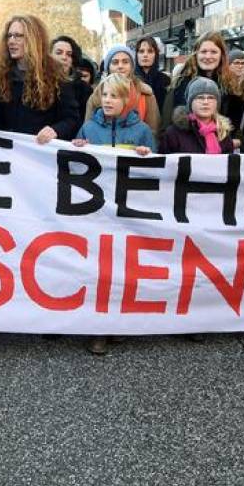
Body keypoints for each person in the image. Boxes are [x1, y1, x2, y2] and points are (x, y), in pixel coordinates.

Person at [72, 72, 154, 357]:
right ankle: (98, 329)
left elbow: (157, 172)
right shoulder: (88, 129)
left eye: (115, 96)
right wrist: (75, 149)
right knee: (99, 269)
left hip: (127, 211)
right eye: (105, 94)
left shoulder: (142, 131)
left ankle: (119, 323)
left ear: (126, 100)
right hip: (97, 211)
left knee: (124, 267)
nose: (108, 100)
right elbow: (72, 168)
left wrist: (147, 156)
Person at [0, 15, 80, 143]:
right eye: (9, 36)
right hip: (7, 152)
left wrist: (55, 130)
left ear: (34, 39)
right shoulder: (0, 73)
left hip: (38, 155)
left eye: (18, 36)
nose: (11, 41)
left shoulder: (56, 76)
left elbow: (71, 119)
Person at [162, 32, 228, 136]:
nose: (208, 56)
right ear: (196, 54)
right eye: (203, 51)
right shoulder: (181, 83)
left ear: (221, 55)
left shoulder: (228, 84)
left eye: (214, 52)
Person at [85, 45, 161, 134]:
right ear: (108, 67)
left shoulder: (146, 95)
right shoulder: (96, 97)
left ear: (132, 67)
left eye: (125, 62)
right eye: (115, 62)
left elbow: (153, 133)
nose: (120, 66)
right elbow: (87, 132)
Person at [160, 77, 234, 155]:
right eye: (200, 97)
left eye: (211, 98)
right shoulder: (173, 133)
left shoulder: (223, 132)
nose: (206, 102)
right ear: (190, 103)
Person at [52, 36, 93, 116]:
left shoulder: (84, 89)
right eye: (59, 53)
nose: (64, 57)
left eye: (69, 54)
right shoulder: (38, 84)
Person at [134, 36, 169, 110]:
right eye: (141, 51)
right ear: (136, 55)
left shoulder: (165, 80)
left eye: (150, 51)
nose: (145, 55)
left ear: (156, 55)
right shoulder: (130, 79)